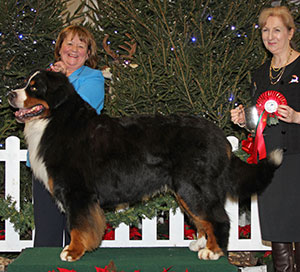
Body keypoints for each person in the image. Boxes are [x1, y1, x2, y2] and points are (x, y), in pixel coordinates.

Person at [231, 6, 300, 272]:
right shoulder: (260, 74)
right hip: (270, 161)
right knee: (278, 233)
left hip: (298, 157)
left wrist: (296, 117)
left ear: (290, 32)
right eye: (265, 30)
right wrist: (244, 121)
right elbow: (260, 123)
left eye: (277, 30)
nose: (270, 36)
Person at [32, 25, 105, 247]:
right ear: (60, 48)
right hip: (46, 163)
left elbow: (78, 112)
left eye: (81, 45)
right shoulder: (45, 76)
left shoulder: (94, 77)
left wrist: (62, 81)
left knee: (76, 228)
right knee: (46, 232)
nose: (74, 49)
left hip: (76, 163)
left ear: (88, 53)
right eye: (69, 43)